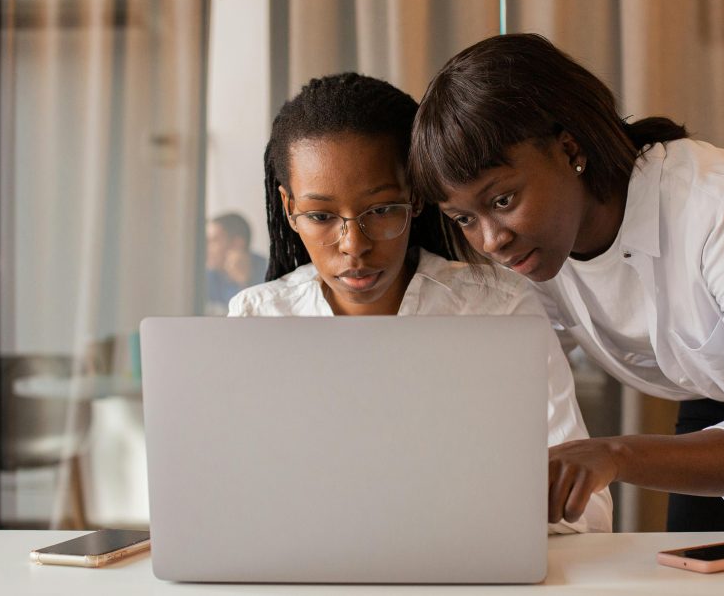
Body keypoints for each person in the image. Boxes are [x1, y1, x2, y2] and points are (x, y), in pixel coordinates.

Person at [408, 33, 724, 531]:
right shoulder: (526, 253)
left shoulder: (717, 204)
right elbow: (505, 379)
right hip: (720, 392)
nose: (491, 239)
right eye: (463, 218)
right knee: (696, 579)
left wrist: (613, 454)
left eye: (502, 200)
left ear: (569, 148)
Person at [228, 72, 612, 533]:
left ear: (415, 197)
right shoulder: (255, 319)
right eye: (321, 216)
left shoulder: (498, 309)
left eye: (382, 209)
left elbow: (586, 514)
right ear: (288, 208)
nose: (353, 245)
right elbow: (235, 503)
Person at [205, 212, 267, 315]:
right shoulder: (209, 276)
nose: (206, 247)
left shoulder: (269, 272)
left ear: (237, 244)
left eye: (214, 241)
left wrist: (244, 282)